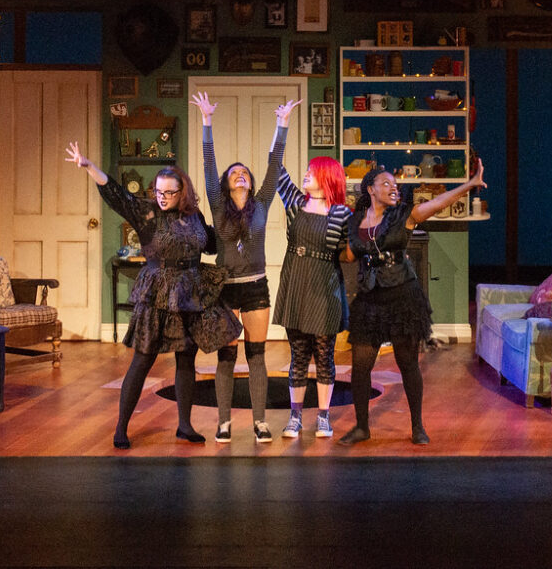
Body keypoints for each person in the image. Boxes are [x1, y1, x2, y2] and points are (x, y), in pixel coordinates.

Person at [65, 143, 239, 448]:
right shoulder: (146, 212)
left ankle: (184, 425)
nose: (162, 197)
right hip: (158, 292)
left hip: (190, 291)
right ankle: (121, 427)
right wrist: (89, 166)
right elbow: (116, 194)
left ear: (182, 192)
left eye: (169, 192)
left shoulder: (195, 216)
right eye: (158, 191)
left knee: (186, 359)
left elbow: (210, 244)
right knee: (142, 361)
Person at [339, 161, 486, 445]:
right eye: (386, 183)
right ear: (370, 189)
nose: (394, 187)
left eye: (395, 184)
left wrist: (469, 185)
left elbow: (438, 203)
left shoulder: (404, 215)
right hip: (369, 300)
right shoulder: (355, 221)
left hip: (401, 298)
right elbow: (348, 255)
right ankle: (361, 427)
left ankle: (418, 426)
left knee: (407, 363)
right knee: (360, 367)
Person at [196, 90, 292, 443]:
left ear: (251, 183)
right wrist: (207, 121)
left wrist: (281, 125)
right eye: (234, 173)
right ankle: (223, 422)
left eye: (244, 173)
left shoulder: (263, 202)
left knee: (256, 355)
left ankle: (260, 422)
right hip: (225, 286)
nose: (240, 175)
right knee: (225, 357)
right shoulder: (219, 206)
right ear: (225, 183)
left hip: (256, 286)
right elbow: (209, 165)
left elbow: (274, 166)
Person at [271, 147, 353, 440]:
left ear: (327, 177)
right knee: (299, 355)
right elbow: (274, 166)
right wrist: (282, 126)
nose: (305, 174)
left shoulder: (341, 212)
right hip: (296, 283)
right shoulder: (296, 203)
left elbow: (348, 252)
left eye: (312, 171)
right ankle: (295, 417)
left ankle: (323, 417)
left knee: (324, 355)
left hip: (324, 286)